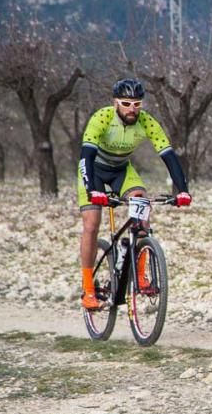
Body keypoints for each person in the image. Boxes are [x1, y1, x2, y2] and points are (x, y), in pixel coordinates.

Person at [78, 78, 191, 310]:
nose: (132, 109)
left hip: (121, 170)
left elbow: (168, 155)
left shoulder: (147, 122)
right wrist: (92, 191)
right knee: (91, 224)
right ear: (115, 102)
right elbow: (86, 156)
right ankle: (88, 288)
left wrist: (183, 191)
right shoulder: (102, 118)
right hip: (94, 170)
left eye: (137, 104)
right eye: (127, 103)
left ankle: (140, 273)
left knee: (140, 198)